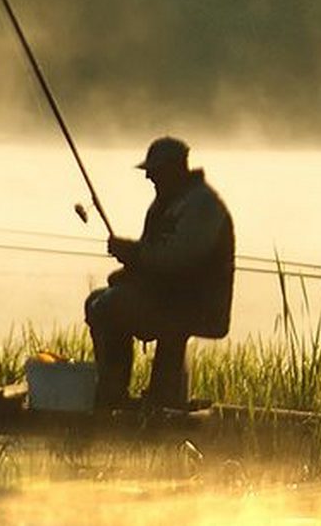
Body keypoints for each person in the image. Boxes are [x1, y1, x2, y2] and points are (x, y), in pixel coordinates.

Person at [83, 136, 235, 409]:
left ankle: (127, 395)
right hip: (171, 297)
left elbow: (177, 260)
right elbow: (157, 260)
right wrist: (128, 270)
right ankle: (114, 391)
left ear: (175, 169)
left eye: (154, 172)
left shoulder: (201, 206)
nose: (149, 178)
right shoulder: (170, 202)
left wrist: (132, 253)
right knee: (97, 300)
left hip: (195, 305)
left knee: (111, 305)